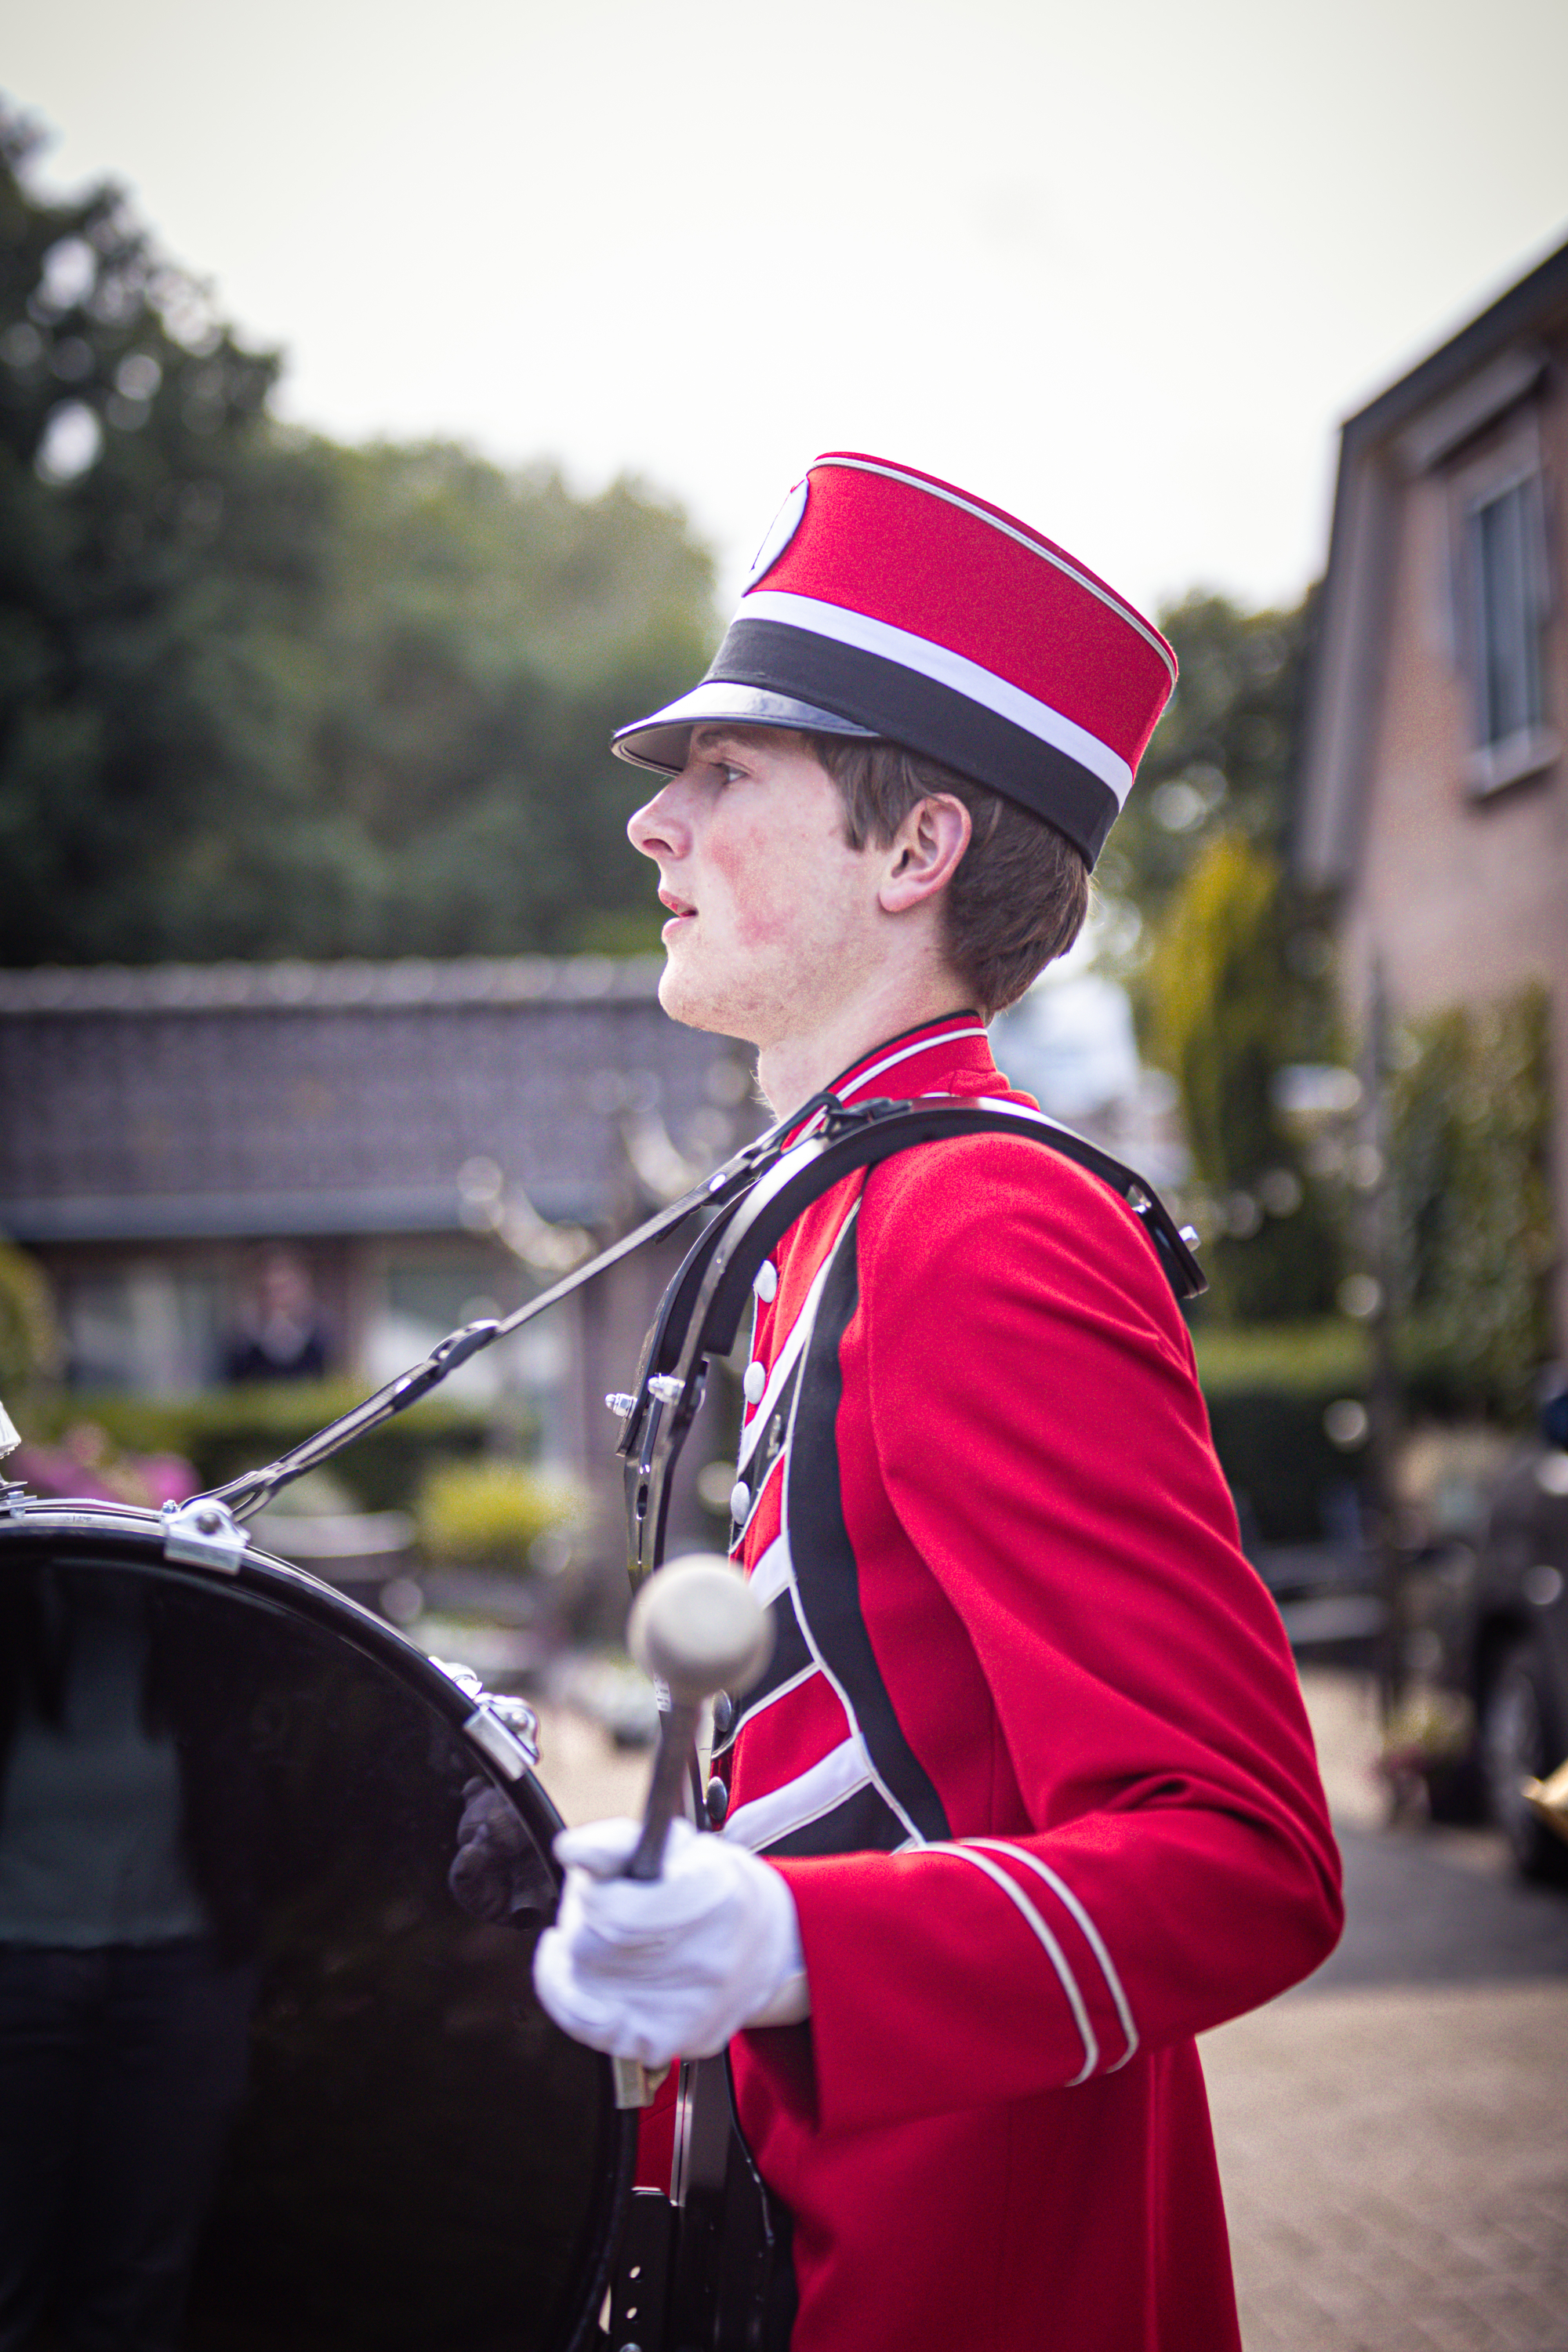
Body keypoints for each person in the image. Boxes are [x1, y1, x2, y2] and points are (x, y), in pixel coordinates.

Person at [533, 452, 1342, 2350]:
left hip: (965, 2282)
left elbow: (1245, 1854)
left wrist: (794, 1939)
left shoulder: (978, 1220)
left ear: (914, 855)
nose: (655, 830)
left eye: (726, 776)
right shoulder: (849, 1210)